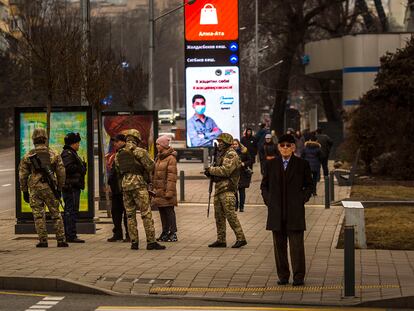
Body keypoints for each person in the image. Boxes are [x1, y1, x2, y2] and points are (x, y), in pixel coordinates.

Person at [261, 134, 313, 286]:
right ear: (278, 147)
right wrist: (268, 200)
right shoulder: (271, 165)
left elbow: (309, 185)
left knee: (297, 247)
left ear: (293, 147)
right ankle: (283, 276)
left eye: (288, 145)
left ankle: (298, 277)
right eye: (282, 145)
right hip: (276, 211)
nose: (285, 148)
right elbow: (264, 185)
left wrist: (301, 199)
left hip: (294, 211)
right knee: (279, 247)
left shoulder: (302, 164)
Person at [115, 129, 165, 250]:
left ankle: (134, 242)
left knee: (130, 215)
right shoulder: (140, 151)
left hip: (126, 186)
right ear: (137, 140)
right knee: (146, 213)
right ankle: (151, 242)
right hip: (139, 185)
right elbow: (150, 166)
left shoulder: (119, 154)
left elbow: (118, 170)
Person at [18, 128, 68, 248]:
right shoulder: (53, 153)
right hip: (50, 188)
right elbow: (61, 172)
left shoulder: (28, 155)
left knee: (38, 215)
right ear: (45, 139)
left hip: (34, 188)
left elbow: (22, 175)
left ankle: (43, 240)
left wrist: (24, 190)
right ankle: (61, 240)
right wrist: (59, 187)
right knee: (56, 214)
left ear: (33, 139)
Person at [204, 133, 247, 248]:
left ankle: (241, 237)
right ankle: (221, 239)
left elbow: (226, 171)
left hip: (228, 189)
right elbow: (217, 171)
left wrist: (211, 170)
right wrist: (209, 173)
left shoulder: (231, 154)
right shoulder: (220, 155)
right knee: (219, 216)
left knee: (230, 215)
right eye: (218, 142)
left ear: (227, 143)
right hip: (219, 188)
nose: (219, 144)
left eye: (221, 142)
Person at [151, 135, 178, 242]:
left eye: (158, 144)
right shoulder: (159, 157)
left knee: (169, 211)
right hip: (159, 190)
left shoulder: (171, 158)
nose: (157, 146)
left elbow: (172, 177)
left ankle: (173, 232)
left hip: (166, 191)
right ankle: (165, 231)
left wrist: (169, 192)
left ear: (163, 145)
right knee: (162, 211)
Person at [61, 132, 87, 243]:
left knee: (71, 211)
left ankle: (70, 234)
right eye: (77, 143)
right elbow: (68, 167)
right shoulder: (68, 153)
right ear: (73, 143)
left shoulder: (71, 153)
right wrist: (81, 168)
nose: (78, 145)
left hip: (72, 186)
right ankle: (71, 235)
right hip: (71, 187)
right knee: (71, 211)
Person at [107, 134, 129, 242]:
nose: (114, 144)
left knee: (127, 212)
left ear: (122, 141)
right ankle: (118, 233)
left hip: (124, 187)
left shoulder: (126, 152)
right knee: (116, 212)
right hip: (116, 188)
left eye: (116, 142)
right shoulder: (117, 153)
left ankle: (129, 234)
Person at [232, 139, 252, 212]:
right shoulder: (230, 152)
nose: (234, 145)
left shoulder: (244, 151)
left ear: (239, 144)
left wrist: (244, 163)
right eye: (233, 144)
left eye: (236, 144)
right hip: (234, 173)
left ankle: (241, 207)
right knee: (234, 191)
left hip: (242, 173)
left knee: (242, 191)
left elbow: (250, 160)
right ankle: (236, 206)